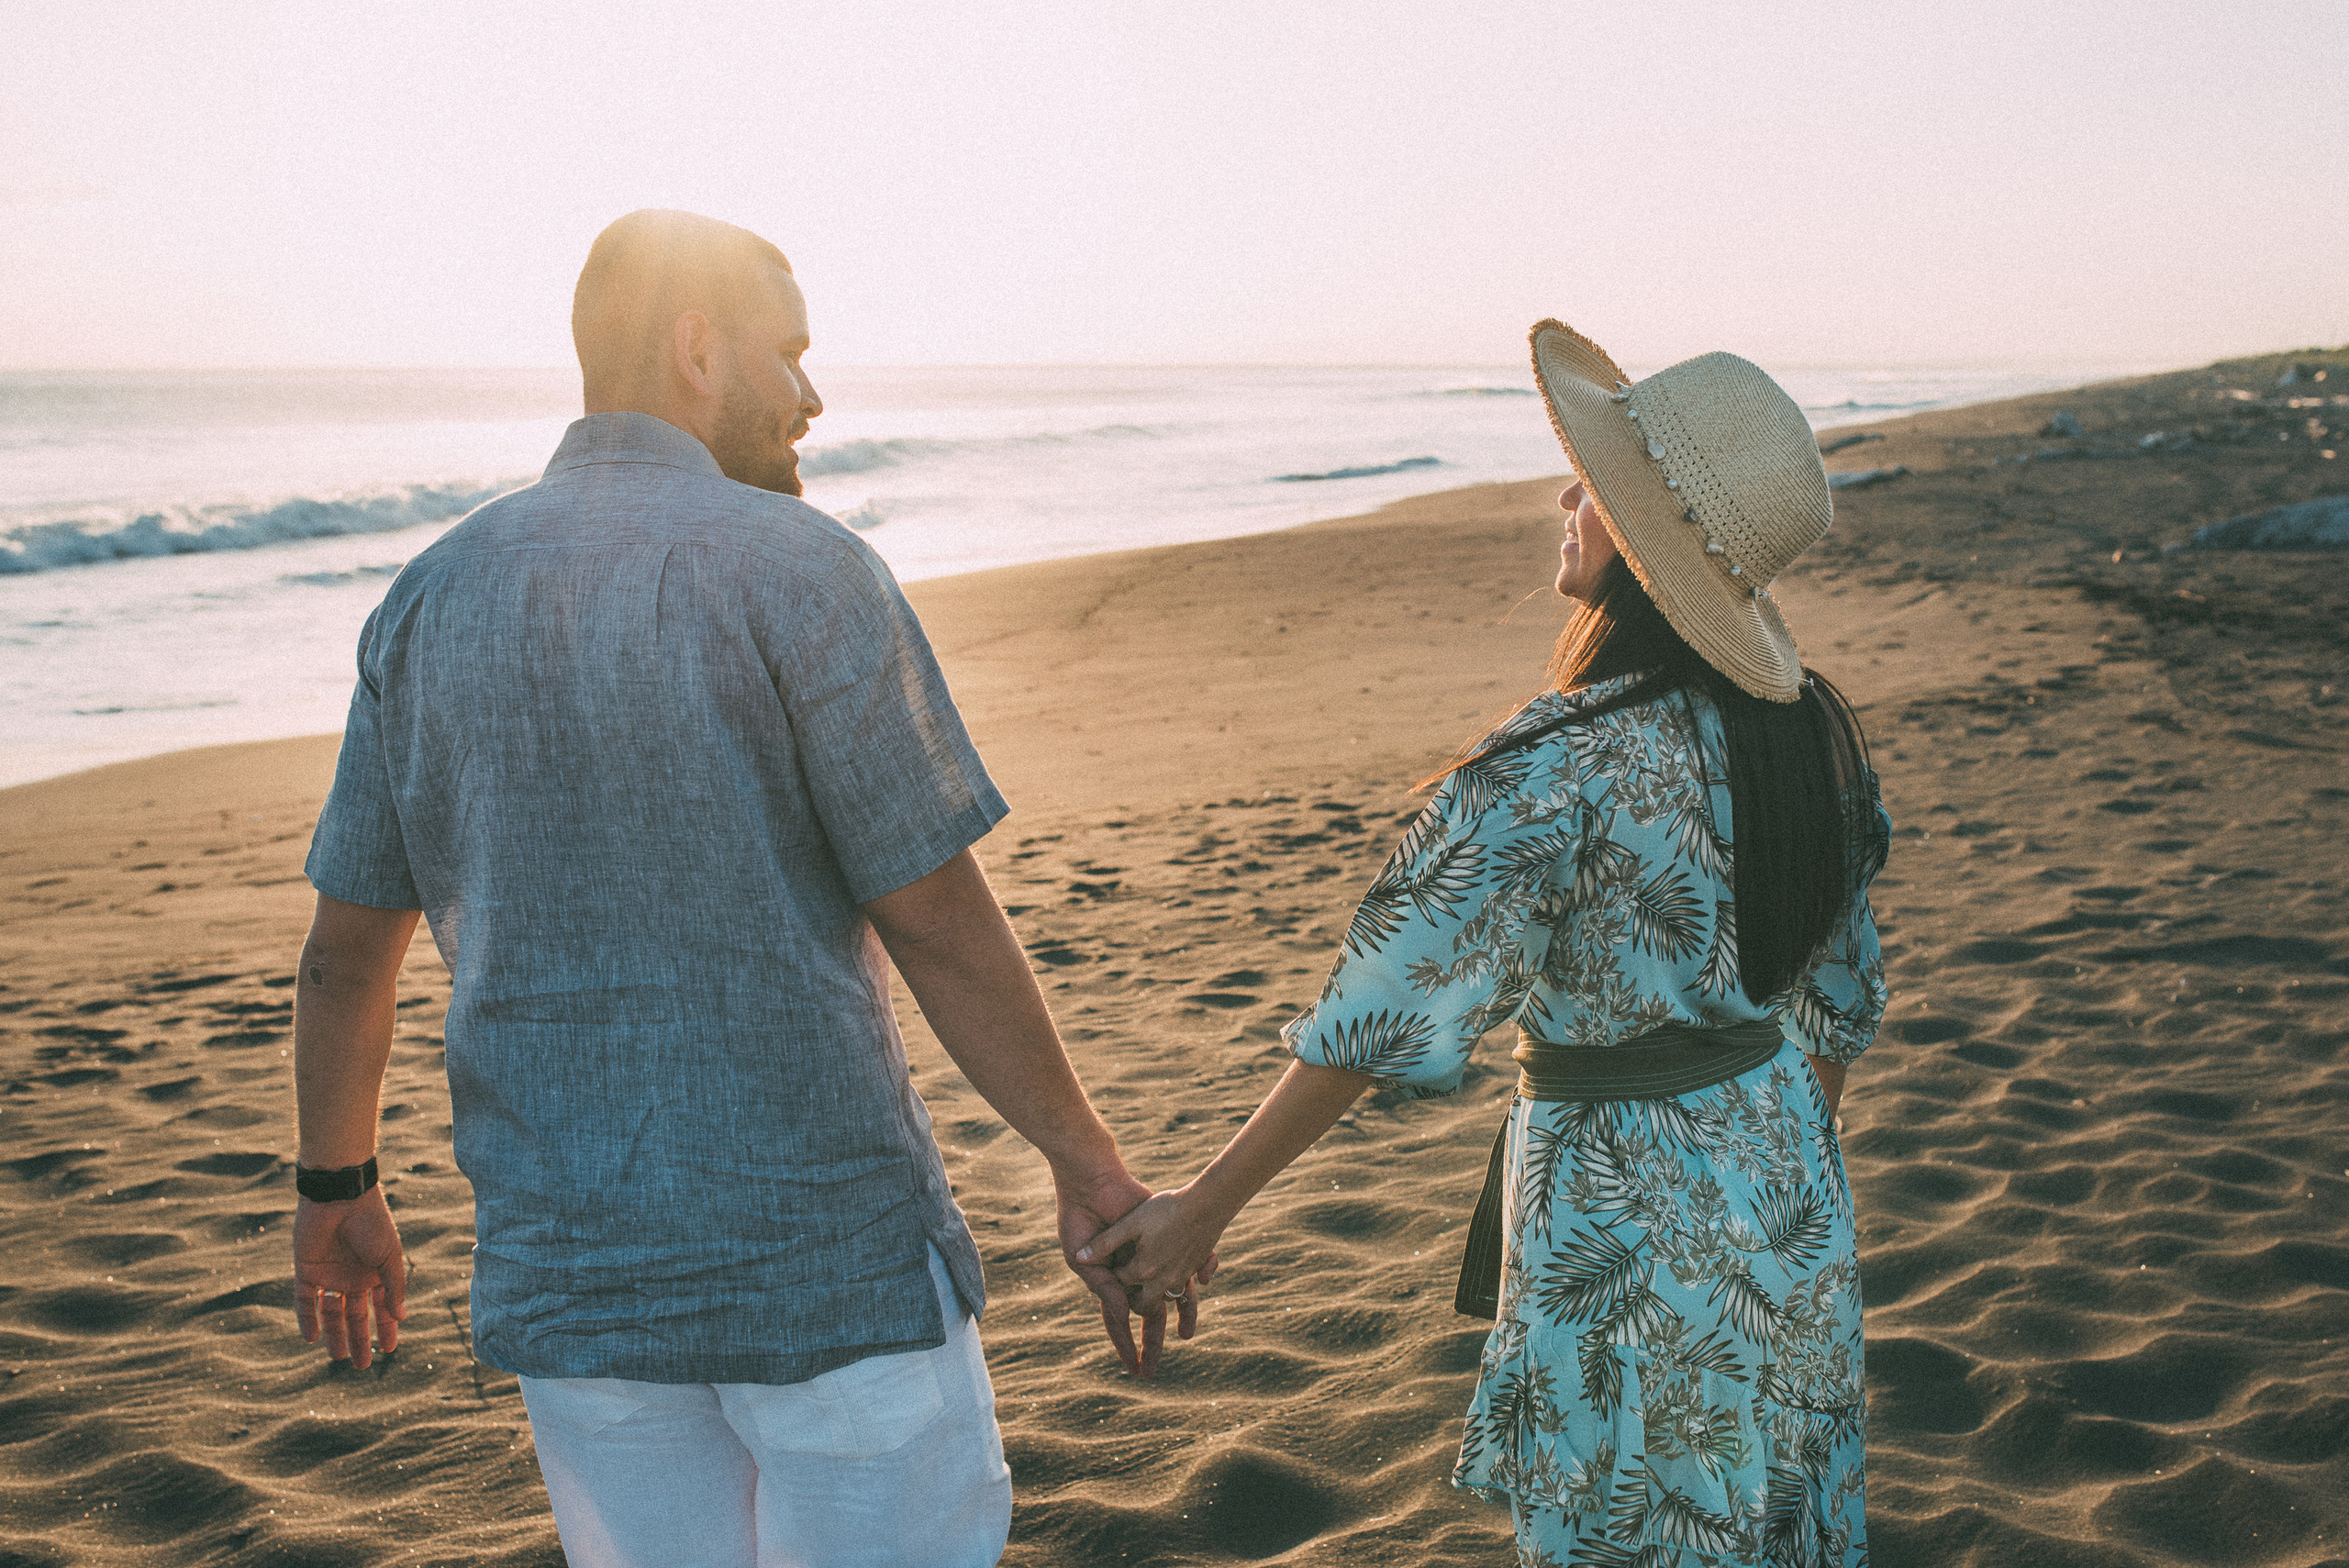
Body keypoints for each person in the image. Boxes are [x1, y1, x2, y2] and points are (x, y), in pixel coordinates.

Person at [287, 208, 1199, 1568]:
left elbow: (347, 954)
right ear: (697, 349)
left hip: (578, 1287)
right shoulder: (805, 570)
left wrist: (335, 1186)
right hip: (829, 1276)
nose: (815, 395)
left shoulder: (428, 597)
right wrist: (1087, 1160)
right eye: (792, 352)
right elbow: (938, 918)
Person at [1081, 320, 1892, 1565]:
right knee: (1779, 1522)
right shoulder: (1813, 738)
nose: (1569, 496)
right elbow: (1838, 1004)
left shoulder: (1553, 764)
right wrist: (1761, 1169)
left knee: (1634, 1525)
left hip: (1622, 1218)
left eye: (1599, 483)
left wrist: (1204, 1208)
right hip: (1791, 1192)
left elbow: (1384, 1007)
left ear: (1647, 539)